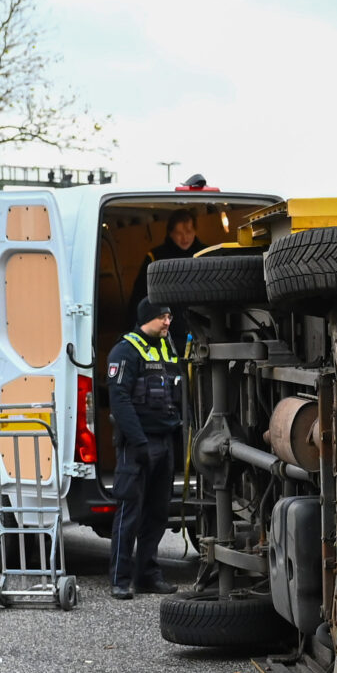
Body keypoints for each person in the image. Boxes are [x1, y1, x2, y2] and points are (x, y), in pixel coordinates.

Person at [104, 300, 183, 599]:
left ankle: (147, 575)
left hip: (164, 440)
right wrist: (137, 442)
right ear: (147, 318)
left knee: (157, 513)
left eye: (169, 316)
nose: (167, 322)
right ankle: (120, 580)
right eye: (163, 316)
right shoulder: (125, 350)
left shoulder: (166, 347)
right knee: (129, 512)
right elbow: (120, 401)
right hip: (138, 444)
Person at [128, 211, 200, 321]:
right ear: (170, 233)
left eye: (189, 232)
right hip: (166, 324)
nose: (185, 238)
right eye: (179, 233)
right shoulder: (155, 257)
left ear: (195, 231)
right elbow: (139, 295)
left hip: (201, 322)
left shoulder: (206, 254)